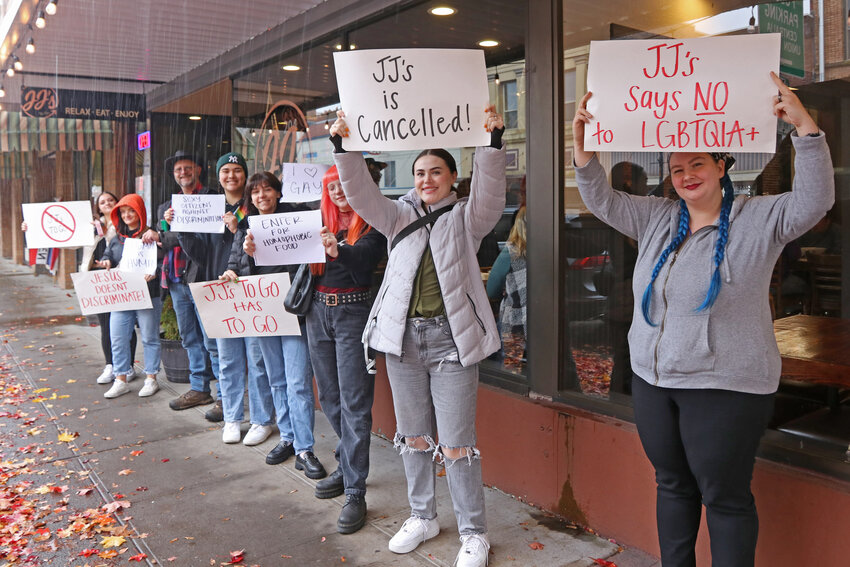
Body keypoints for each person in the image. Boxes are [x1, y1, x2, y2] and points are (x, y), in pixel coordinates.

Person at [572, 73, 834, 567]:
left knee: (724, 496)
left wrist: (806, 130)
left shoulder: (760, 218)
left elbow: (815, 201)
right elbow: (601, 200)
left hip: (725, 385)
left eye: (698, 163)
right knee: (671, 485)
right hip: (655, 379)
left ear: (721, 164)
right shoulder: (656, 217)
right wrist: (585, 152)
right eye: (677, 168)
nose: (687, 174)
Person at [329, 105, 505, 567]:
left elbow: (490, 195)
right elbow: (361, 194)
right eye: (420, 172)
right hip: (404, 341)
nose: (427, 179)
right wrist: (345, 148)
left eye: (437, 172)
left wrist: (491, 144)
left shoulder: (467, 219)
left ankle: (473, 533)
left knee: (457, 443)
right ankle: (423, 516)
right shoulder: (395, 215)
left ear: (452, 177)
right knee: (412, 436)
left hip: (452, 342)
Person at [225, 172, 326, 478]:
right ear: (250, 198)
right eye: (255, 192)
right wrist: (241, 262)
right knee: (277, 379)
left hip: (294, 310)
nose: (261, 196)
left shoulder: (296, 219)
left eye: (267, 190)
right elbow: (234, 267)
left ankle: (305, 448)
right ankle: (288, 437)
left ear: (278, 193)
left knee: (298, 383)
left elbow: (311, 256)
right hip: (264, 311)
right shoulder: (244, 228)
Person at [305, 165, 386, 534]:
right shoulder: (316, 222)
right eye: (331, 186)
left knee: (355, 404)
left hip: (354, 313)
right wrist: (252, 248)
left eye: (343, 185)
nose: (338, 191)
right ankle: (347, 463)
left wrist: (338, 249)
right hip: (317, 313)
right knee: (332, 399)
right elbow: (286, 255)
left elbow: (367, 258)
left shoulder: (373, 221)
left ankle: (355, 490)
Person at [180, 152, 273, 442]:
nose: (231, 176)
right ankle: (232, 417)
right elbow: (198, 253)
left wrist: (238, 229)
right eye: (225, 171)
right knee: (227, 359)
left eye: (237, 170)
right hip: (218, 290)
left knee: (257, 359)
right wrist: (181, 226)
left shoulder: (255, 204)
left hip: (251, 291)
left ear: (245, 175)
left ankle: (261, 419)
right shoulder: (208, 206)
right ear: (218, 175)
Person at [143, 151, 220, 413]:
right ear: (173, 175)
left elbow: (199, 237)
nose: (183, 173)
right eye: (178, 170)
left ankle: (224, 394)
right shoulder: (165, 207)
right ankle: (200, 389)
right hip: (175, 279)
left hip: (203, 277)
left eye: (188, 168)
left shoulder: (210, 199)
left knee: (213, 338)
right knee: (189, 338)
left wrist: (165, 234)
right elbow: (160, 243)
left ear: (198, 169)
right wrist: (158, 233)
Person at [95, 194, 163, 399]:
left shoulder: (152, 235)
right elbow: (108, 255)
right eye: (123, 212)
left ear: (140, 211)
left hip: (149, 294)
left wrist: (156, 270)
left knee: (150, 337)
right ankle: (120, 379)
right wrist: (106, 262)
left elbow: (163, 259)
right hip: (122, 295)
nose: (127, 215)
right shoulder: (118, 238)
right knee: (118, 337)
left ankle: (151, 378)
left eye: (131, 210)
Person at [486, 206, 527, 372]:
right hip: (550, 320)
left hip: (517, 322)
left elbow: (491, 291)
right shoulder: (553, 250)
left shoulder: (511, 253)